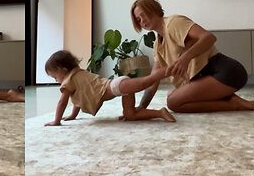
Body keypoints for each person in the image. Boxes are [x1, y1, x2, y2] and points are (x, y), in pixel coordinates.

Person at [130, 0, 254, 113]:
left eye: (144, 14)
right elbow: (154, 79)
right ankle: (230, 100)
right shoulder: (157, 45)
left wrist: (185, 58)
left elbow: (209, 37)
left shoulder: (173, 23)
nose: (142, 21)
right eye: (138, 19)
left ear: (153, 9)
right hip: (204, 77)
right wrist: (141, 107)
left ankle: (233, 104)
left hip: (226, 71)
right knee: (174, 99)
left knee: (173, 101)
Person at [43, 50, 176, 126]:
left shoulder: (68, 81)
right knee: (130, 115)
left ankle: (166, 71)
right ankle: (161, 113)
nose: (56, 80)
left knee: (146, 81)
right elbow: (78, 100)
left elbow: (62, 102)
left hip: (115, 86)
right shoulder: (77, 74)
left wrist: (56, 120)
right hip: (120, 89)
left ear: (64, 70)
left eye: (55, 77)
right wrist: (72, 115)